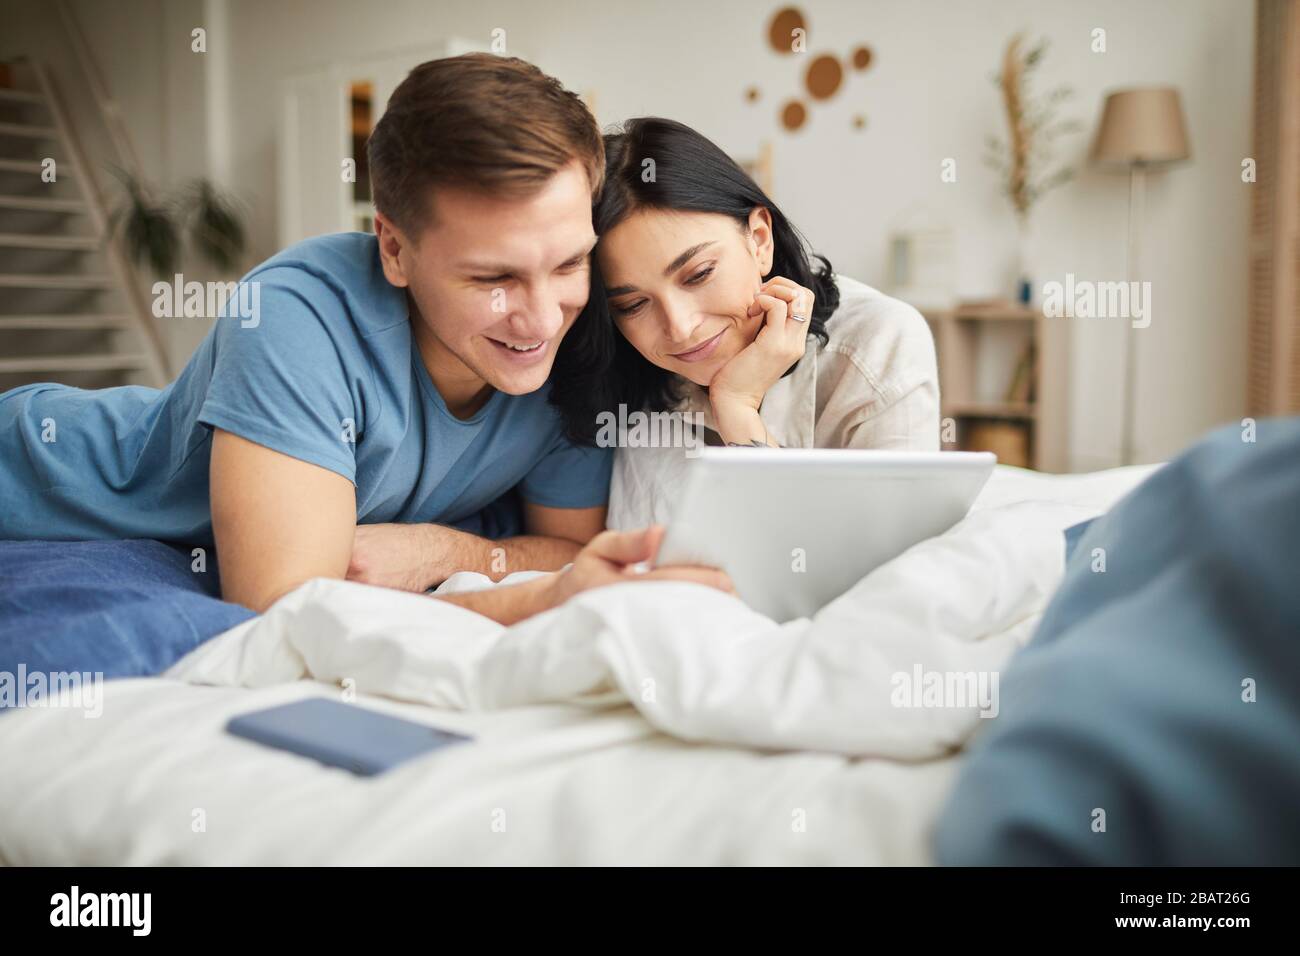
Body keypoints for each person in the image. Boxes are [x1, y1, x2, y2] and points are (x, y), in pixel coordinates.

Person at [0, 57, 729, 619]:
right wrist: (537, 599)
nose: (541, 320)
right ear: (394, 249)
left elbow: (569, 547)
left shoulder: (582, 328)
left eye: (569, 262)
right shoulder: (293, 312)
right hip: (40, 482)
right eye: (491, 279)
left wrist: (448, 550)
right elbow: (284, 613)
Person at [576, 118, 941, 529]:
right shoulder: (622, 367)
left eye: (698, 274)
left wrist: (737, 408)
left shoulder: (878, 343)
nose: (679, 327)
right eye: (633, 304)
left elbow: (881, 559)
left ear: (760, 239)